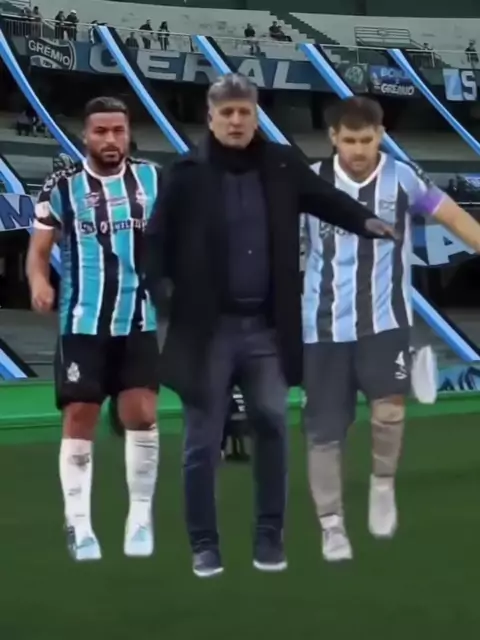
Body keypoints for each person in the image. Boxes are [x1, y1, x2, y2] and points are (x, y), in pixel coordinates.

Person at [143, 73, 396, 578]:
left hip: (266, 329)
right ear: (211, 118)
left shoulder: (282, 164)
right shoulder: (185, 173)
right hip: (207, 332)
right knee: (201, 442)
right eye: (227, 113)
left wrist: (365, 221)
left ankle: (269, 536)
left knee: (274, 428)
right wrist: (164, 295)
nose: (237, 121)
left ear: (256, 115)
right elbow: (155, 242)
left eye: (245, 112)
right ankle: (204, 545)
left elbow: (325, 198)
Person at [302, 96, 480, 562]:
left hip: (385, 321)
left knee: (389, 413)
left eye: (367, 139)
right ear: (333, 138)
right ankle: (331, 524)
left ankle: (382, 485)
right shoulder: (311, 182)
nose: (359, 150)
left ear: (380, 135)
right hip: (322, 328)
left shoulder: (402, 178)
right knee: (325, 433)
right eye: (350, 140)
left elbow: (453, 217)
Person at [26, 97, 161, 562]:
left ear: (128, 134)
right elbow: (38, 250)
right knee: (81, 414)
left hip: (139, 317)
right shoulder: (62, 186)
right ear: (85, 135)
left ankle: (140, 517)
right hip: (83, 320)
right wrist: (39, 282)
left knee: (141, 414)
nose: (110, 139)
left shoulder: (152, 180)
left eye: (117, 130)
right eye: (100, 131)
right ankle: (79, 524)